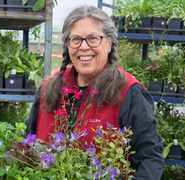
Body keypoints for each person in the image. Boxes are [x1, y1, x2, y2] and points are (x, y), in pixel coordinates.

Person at [24, 5, 164, 179]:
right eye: (76, 39)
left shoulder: (129, 92)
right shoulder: (48, 88)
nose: (84, 47)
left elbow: (150, 159)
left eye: (93, 38)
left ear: (109, 43)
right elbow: (28, 141)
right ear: (67, 45)